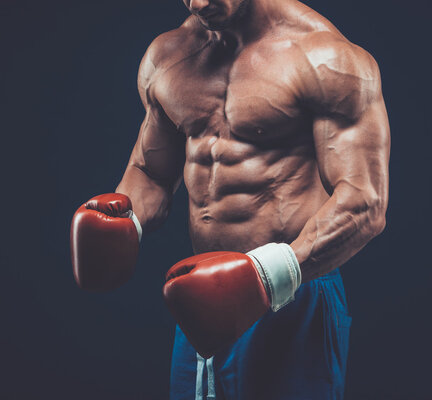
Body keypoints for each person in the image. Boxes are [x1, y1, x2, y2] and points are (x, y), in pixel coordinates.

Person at [70, 0, 390, 398]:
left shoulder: (324, 57)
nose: (199, 3)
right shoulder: (169, 56)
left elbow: (365, 204)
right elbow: (151, 173)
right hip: (200, 299)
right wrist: (123, 219)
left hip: (292, 292)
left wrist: (267, 277)